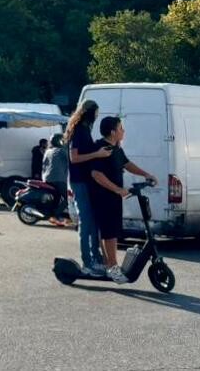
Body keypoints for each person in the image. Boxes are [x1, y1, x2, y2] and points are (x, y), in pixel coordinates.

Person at [89, 115, 157, 283]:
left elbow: (126, 164)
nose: (123, 131)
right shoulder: (101, 149)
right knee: (109, 233)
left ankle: (110, 266)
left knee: (112, 232)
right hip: (103, 196)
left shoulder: (116, 148)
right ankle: (112, 268)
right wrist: (118, 190)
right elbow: (96, 174)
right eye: (121, 128)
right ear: (113, 132)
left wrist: (146, 174)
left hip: (114, 196)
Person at [63, 100, 112, 277]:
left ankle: (96, 258)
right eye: (96, 113)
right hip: (79, 181)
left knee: (92, 221)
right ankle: (87, 262)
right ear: (90, 112)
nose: (97, 116)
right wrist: (97, 154)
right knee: (86, 221)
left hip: (86, 180)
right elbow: (74, 157)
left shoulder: (84, 129)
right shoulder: (79, 131)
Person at [41, 133, 70, 226]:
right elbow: (71, 159)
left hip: (46, 178)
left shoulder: (48, 151)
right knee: (68, 198)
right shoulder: (61, 151)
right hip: (58, 178)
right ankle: (55, 215)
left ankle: (53, 215)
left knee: (57, 197)